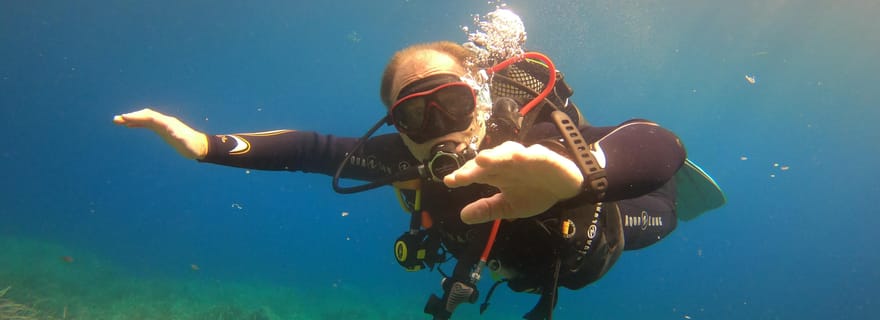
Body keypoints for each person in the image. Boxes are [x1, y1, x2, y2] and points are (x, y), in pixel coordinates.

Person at [114, 41, 684, 320]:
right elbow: (310, 149)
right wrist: (205, 146)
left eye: (453, 103)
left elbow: (659, 142)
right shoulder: (401, 159)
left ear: (483, 101)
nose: (438, 129)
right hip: (515, 273)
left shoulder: (538, 143)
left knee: (664, 215)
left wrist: (581, 172)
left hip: (597, 240)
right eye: (414, 115)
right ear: (397, 126)